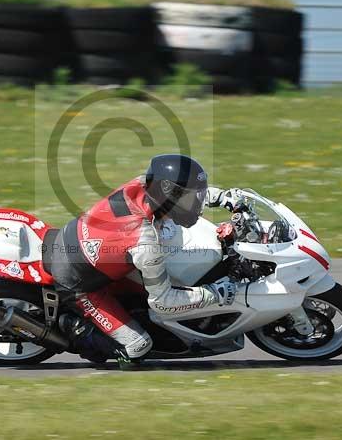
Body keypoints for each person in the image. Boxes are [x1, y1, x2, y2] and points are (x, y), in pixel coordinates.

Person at [42, 153, 240, 367]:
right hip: (77, 282)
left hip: (82, 243)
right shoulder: (145, 241)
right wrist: (214, 293)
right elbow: (164, 303)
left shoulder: (144, 183)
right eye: (191, 199)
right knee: (138, 347)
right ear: (168, 195)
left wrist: (222, 198)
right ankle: (74, 328)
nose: (196, 204)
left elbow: (182, 191)